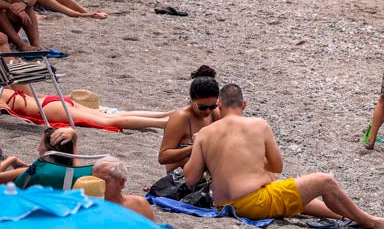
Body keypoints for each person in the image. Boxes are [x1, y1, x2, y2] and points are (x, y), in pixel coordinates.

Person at [184, 83, 384, 229]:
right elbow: (277, 166)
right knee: (324, 181)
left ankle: (346, 216)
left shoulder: (204, 134)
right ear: (244, 105)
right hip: (252, 205)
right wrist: (257, 164)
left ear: (219, 106)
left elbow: (190, 179)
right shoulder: (259, 125)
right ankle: (371, 222)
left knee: (292, 192)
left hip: (223, 204)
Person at [0, 87, 171, 131]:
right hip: (50, 100)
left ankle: (163, 124)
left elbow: (6, 108)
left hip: (47, 109)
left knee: (109, 120)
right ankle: (168, 114)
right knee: (113, 114)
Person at [158, 66, 220, 170]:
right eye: (202, 107)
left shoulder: (215, 113)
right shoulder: (181, 118)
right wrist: (194, 148)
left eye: (212, 106)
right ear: (192, 100)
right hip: (180, 177)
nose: (208, 111)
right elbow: (163, 157)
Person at [0, 126, 77, 185]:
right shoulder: (75, 171)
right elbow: (75, 153)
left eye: (40, 143)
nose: (38, 148)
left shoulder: (32, 171)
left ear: (49, 149)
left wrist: (11, 160)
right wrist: (74, 135)